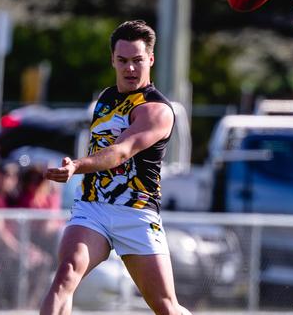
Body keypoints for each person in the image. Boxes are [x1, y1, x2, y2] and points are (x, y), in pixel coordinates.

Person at [40, 20, 190, 315]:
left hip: (136, 213)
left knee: (165, 307)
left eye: (137, 60)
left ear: (151, 59)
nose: (130, 68)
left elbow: (121, 151)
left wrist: (77, 166)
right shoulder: (107, 98)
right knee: (66, 273)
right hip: (93, 208)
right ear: (112, 60)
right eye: (122, 61)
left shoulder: (156, 110)